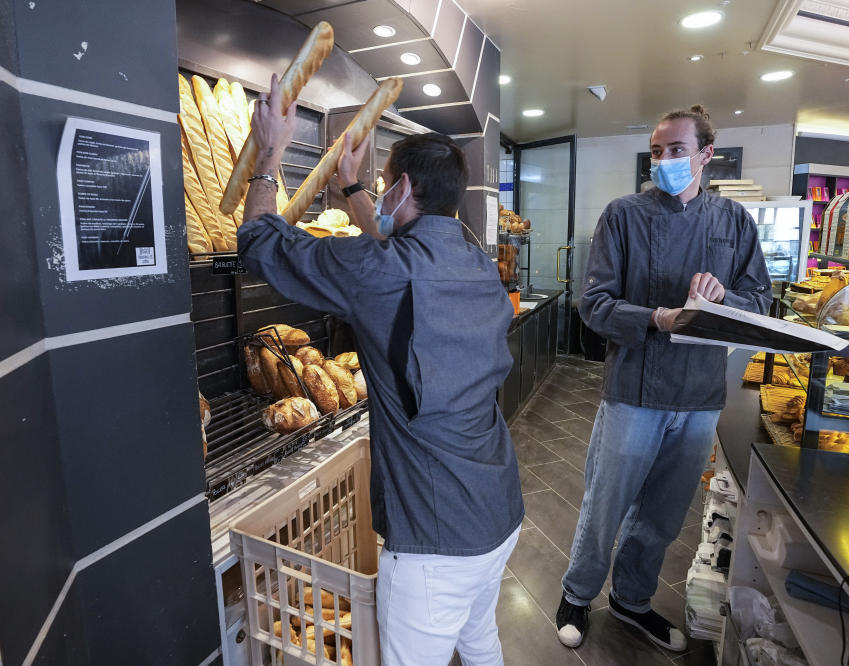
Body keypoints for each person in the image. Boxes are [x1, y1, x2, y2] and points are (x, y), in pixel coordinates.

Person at [238, 74, 524, 665]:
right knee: (481, 645)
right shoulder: (475, 263)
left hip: (432, 540)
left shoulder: (381, 272)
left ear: (403, 187)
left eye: (386, 182)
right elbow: (395, 255)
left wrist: (269, 153)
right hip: (498, 510)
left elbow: (259, 243)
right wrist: (350, 184)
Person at [555, 104, 772, 652]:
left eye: (676, 150)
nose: (665, 161)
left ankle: (631, 599)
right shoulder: (622, 216)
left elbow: (760, 299)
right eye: (657, 151)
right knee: (606, 503)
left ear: (705, 155)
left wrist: (728, 299)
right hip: (633, 390)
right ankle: (576, 594)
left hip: (700, 395)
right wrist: (657, 317)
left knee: (663, 512)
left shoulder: (734, 222)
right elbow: (594, 304)